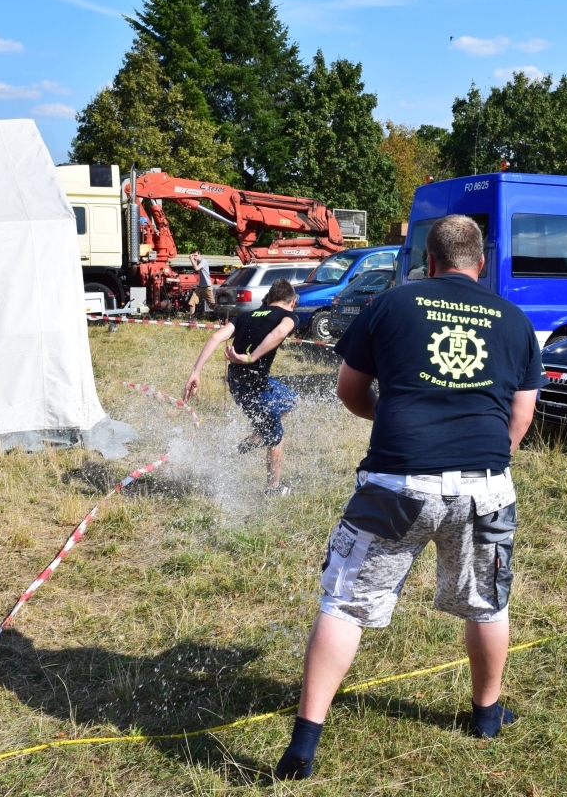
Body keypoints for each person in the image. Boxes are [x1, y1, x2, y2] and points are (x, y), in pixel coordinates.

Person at [274, 214, 543, 780]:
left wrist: (395, 423)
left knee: (345, 603)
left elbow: (350, 389)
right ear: (481, 263)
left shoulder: (391, 304)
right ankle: (487, 716)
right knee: (488, 602)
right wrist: (491, 455)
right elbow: (522, 414)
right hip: (484, 487)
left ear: (429, 262)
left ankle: (303, 745)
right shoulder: (515, 320)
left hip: (397, 481)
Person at [184, 278, 300, 495]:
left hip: (238, 384)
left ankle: (258, 435)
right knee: (277, 438)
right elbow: (280, 332)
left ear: (269, 299)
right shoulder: (288, 316)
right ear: (292, 302)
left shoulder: (247, 315)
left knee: (292, 400)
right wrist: (251, 357)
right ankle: (273, 489)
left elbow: (216, 337)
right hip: (256, 388)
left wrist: (195, 372)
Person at [187, 250, 217, 319]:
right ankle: (191, 319)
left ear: (199, 254)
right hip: (200, 287)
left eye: (195, 255)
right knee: (192, 302)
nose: (194, 257)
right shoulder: (198, 262)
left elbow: (196, 268)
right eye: (193, 256)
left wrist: (191, 260)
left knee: (212, 305)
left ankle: (222, 318)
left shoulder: (203, 261)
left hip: (207, 287)